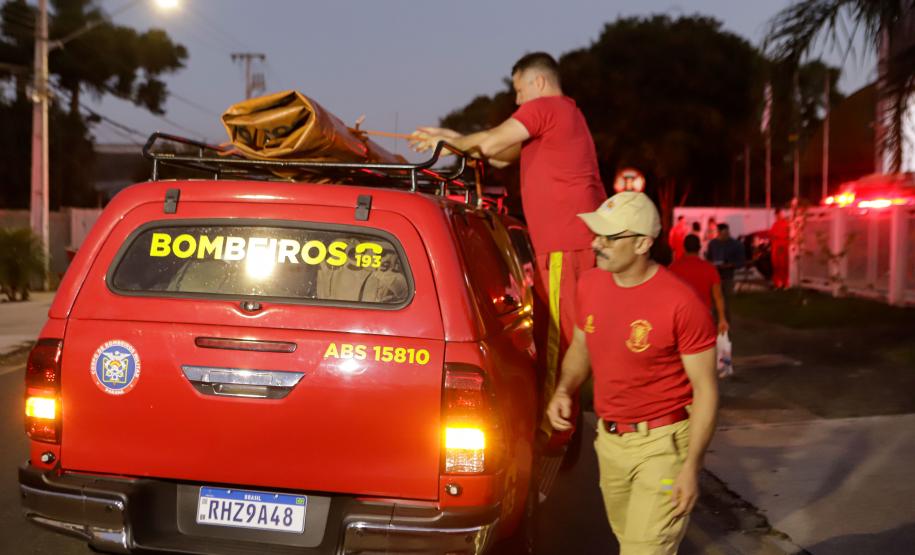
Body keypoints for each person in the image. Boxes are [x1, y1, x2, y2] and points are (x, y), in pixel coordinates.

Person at [410, 52, 606, 443]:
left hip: (566, 248)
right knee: (566, 340)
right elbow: (499, 152)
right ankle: (562, 424)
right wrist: (449, 138)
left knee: (558, 343)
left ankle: (551, 434)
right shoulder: (564, 115)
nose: (517, 102)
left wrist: (451, 144)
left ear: (538, 83)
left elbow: (494, 140)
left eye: (519, 91)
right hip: (570, 246)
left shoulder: (546, 107)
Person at [546, 191, 718, 554]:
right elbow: (581, 347)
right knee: (630, 542)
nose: (597, 244)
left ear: (643, 243)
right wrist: (564, 390)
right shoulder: (589, 285)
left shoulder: (681, 303)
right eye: (596, 235)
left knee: (642, 550)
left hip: (662, 444)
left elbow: (706, 391)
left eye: (610, 237)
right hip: (610, 444)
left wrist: (692, 467)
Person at [670, 234, 729, 335]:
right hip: (704, 317)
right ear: (700, 248)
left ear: (684, 247)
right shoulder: (710, 269)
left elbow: (668, 296)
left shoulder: (673, 268)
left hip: (681, 317)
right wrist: (722, 319)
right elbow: (718, 296)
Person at [705, 223, 746, 321]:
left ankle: (726, 323)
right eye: (723, 234)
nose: (725, 236)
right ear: (718, 233)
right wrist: (712, 264)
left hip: (728, 276)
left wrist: (730, 265)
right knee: (715, 301)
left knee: (726, 301)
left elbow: (741, 262)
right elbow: (708, 259)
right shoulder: (713, 244)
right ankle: (714, 322)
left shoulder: (736, 245)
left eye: (727, 234)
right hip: (715, 277)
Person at [769, 209, 790, 289]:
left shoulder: (786, 224)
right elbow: (772, 234)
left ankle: (785, 283)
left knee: (784, 266)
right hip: (776, 248)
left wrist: (777, 237)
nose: (777, 216)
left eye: (779, 214)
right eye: (776, 215)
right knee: (776, 266)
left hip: (783, 247)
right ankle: (778, 283)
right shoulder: (775, 224)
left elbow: (785, 235)